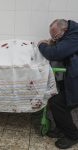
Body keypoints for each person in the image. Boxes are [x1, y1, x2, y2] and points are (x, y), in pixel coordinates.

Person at [38, 19, 78, 149]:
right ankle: (61, 129)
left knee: (58, 103)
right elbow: (61, 47)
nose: (54, 39)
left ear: (64, 30)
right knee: (55, 99)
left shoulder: (75, 36)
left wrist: (41, 45)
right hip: (73, 77)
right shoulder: (70, 33)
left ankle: (72, 136)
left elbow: (55, 53)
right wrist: (55, 41)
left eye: (55, 36)